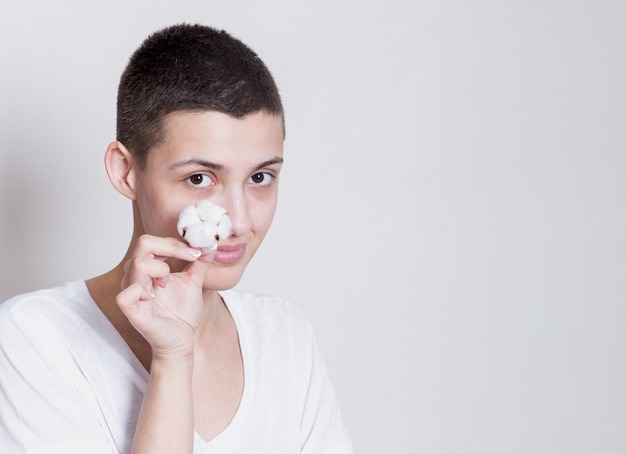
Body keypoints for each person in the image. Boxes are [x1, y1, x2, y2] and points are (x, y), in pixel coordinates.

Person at [0, 23, 353, 454]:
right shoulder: (35, 339)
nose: (238, 222)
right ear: (125, 171)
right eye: (200, 178)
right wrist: (171, 361)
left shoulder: (284, 335)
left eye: (261, 177)